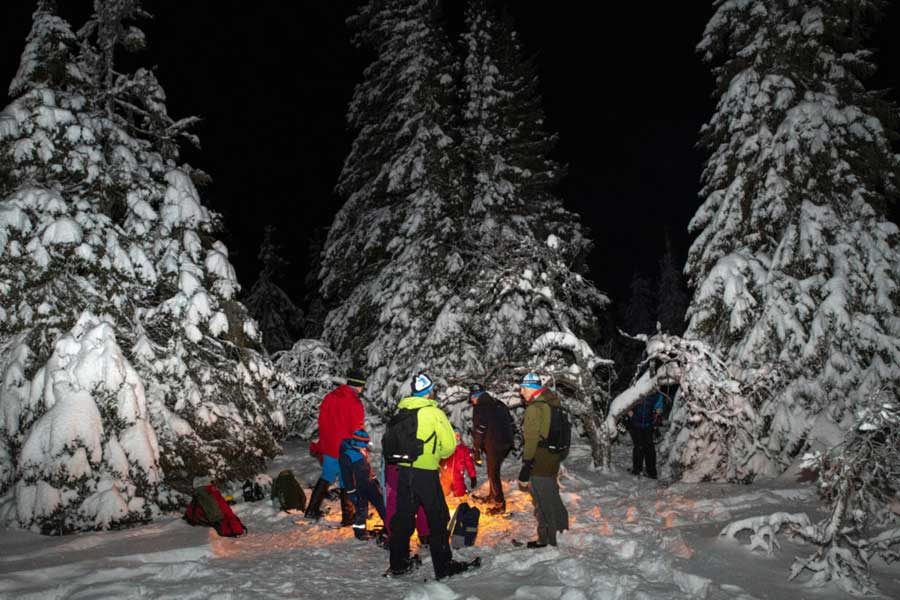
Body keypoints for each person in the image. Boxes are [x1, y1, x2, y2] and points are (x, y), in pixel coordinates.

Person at [388, 372, 476, 579]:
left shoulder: (403, 409)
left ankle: (398, 564)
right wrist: (435, 455)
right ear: (429, 392)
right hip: (425, 473)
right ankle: (443, 567)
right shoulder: (434, 413)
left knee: (403, 518)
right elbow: (449, 446)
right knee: (438, 518)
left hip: (404, 472)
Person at [305, 371, 366, 523]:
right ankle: (348, 516)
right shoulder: (355, 403)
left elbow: (322, 422)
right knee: (347, 480)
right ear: (359, 386)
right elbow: (357, 429)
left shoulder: (330, 397)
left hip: (329, 446)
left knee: (327, 476)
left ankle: (311, 510)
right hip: (345, 448)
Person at [516, 372, 569, 548]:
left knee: (542, 502)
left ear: (530, 388)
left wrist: (526, 465)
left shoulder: (535, 408)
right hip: (552, 457)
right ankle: (562, 530)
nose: (521, 392)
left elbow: (531, 440)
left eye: (522, 388)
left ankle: (549, 540)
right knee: (552, 495)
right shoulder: (551, 401)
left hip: (540, 461)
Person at [470, 383, 514, 515]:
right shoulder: (498, 403)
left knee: (493, 473)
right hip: (505, 442)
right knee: (492, 470)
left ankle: (499, 504)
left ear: (475, 397)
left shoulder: (480, 407)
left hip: (495, 444)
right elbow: (511, 422)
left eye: (472, 397)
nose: (472, 400)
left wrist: (476, 450)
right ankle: (492, 497)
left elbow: (480, 430)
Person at [339, 428, 387, 540]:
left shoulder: (361, 450)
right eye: (365, 443)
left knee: (380, 503)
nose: (366, 446)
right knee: (361, 509)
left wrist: (374, 478)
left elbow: (367, 467)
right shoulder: (347, 455)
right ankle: (360, 531)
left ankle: (389, 526)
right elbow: (346, 476)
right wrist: (351, 491)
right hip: (358, 487)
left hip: (369, 484)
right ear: (359, 442)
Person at [627, 391, 664, 479]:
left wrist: (659, 409)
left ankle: (651, 472)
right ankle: (637, 470)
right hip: (635, 423)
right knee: (638, 446)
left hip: (649, 424)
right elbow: (627, 401)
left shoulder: (657, 394)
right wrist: (628, 410)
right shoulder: (638, 389)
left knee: (649, 448)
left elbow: (659, 405)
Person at [442, 427, 476, 498]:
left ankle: (463, 495)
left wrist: (473, 476)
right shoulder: (448, 448)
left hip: (458, 478)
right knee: (443, 493)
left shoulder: (464, 450)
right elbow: (441, 460)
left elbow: (469, 464)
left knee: (460, 494)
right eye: (454, 436)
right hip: (446, 477)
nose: (456, 438)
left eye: (458, 436)